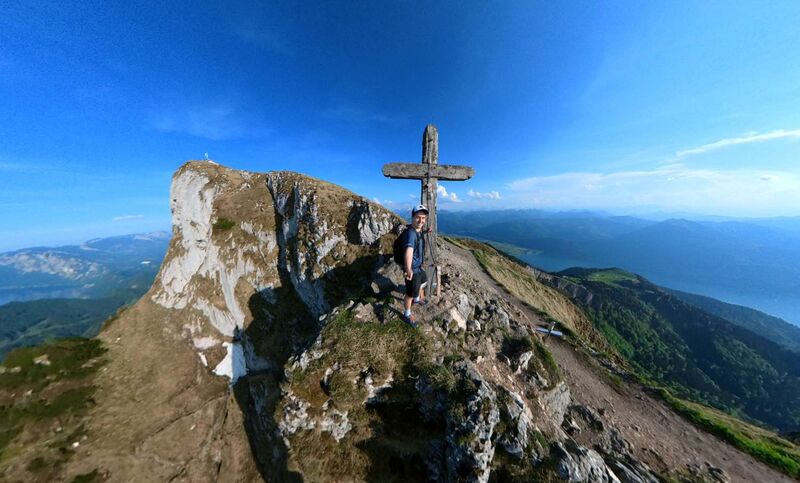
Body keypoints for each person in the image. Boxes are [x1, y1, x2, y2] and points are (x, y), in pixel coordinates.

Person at [402, 205, 429, 327]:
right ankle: (407, 314)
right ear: (412, 217)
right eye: (418, 217)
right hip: (412, 269)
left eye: (423, 218)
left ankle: (417, 299)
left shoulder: (417, 231)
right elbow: (409, 251)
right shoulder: (411, 234)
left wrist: (426, 232)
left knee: (424, 280)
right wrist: (408, 270)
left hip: (418, 267)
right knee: (410, 293)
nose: (421, 220)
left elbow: (419, 235)